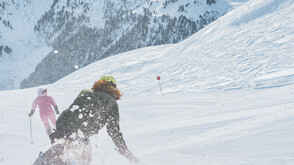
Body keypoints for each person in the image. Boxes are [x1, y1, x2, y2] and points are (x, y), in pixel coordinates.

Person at [49, 76, 139, 163]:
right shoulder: (111, 103)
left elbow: (70, 112)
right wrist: (125, 151)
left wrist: (60, 130)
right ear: (114, 89)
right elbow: (113, 130)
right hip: (79, 136)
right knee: (84, 158)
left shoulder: (86, 94)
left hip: (63, 129)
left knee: (62, 153)